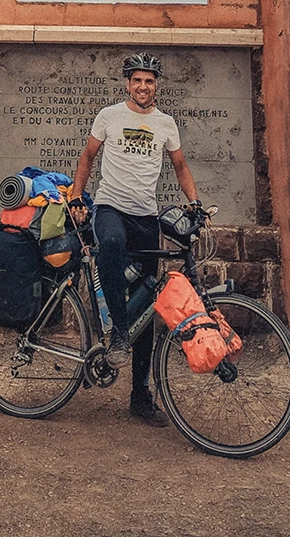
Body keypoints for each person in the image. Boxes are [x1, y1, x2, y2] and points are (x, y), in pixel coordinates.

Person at [68, 52, 200, 428]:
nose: (143, 86)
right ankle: (119, 334)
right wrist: (77, 195)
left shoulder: (165, 123)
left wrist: (196, 204)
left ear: (157, 85)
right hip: (111, 207)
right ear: (127, 83)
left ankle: (140, 396)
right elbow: (87, 157)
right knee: (109, 244)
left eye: (150, 81)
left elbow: (180, 166)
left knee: (150, 307)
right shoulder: (109, 116)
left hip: (145, 216)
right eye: (137, 80)